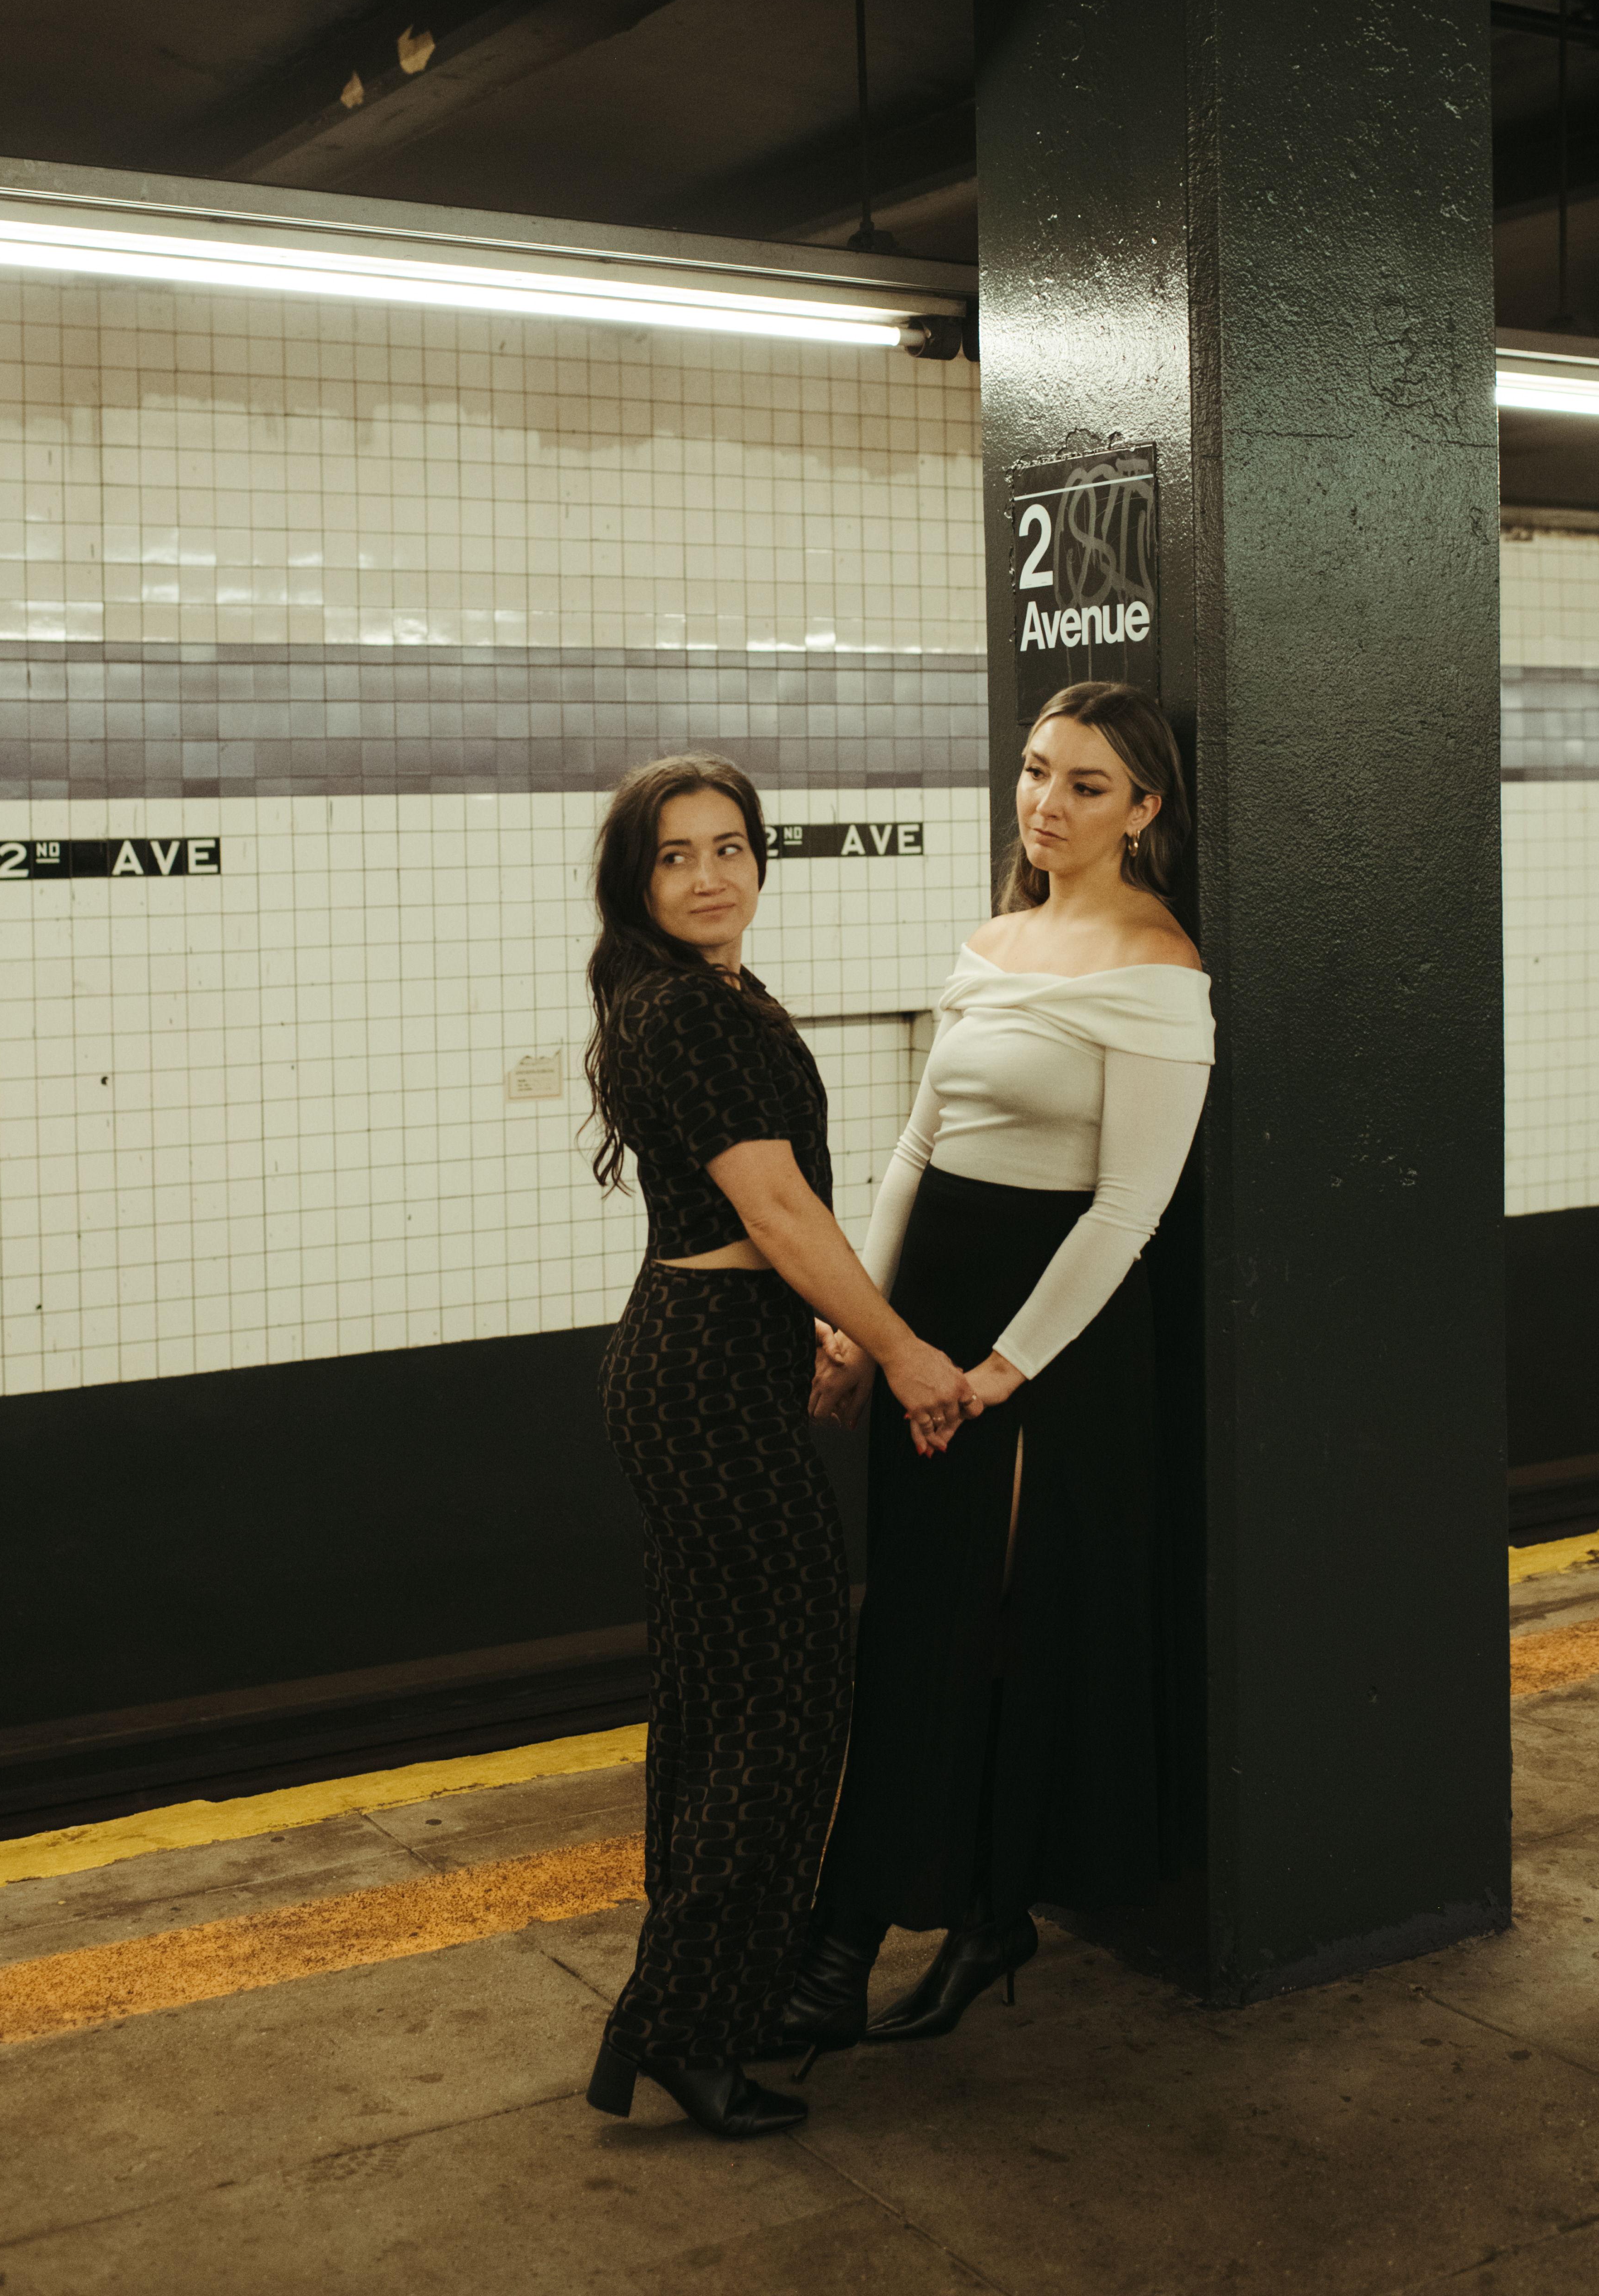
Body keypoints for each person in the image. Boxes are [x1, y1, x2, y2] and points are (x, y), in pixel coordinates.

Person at [788, 682, 1214, 2055]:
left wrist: (1001, 1373)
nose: (1047, 804)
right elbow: (919, 1146)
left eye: (1087, 785)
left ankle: (874, 1940)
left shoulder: (1159, 967)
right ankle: (955, 1915)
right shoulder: (994, 940)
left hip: (1043, 1357)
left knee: (974, 1634)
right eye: (1037, 772)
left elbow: (1128, 1210)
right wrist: (866, 1328)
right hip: (929, 1332)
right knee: (920, 1623)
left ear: (1144, 810)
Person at [578, 754, 981, 2140]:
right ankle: (687, 2027)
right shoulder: (686, 1012)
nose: (710, 876)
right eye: (676, 855)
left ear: (759, 858)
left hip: (709, 1356)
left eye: (730, 847)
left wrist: (816, 1325)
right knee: (784, 1709)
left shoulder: (708, 995)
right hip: (702, 1386)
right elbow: (782, 1211)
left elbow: (756, 1228)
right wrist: (899, 1345)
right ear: (637, 881)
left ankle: (690, 2005)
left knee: (717, 1700)